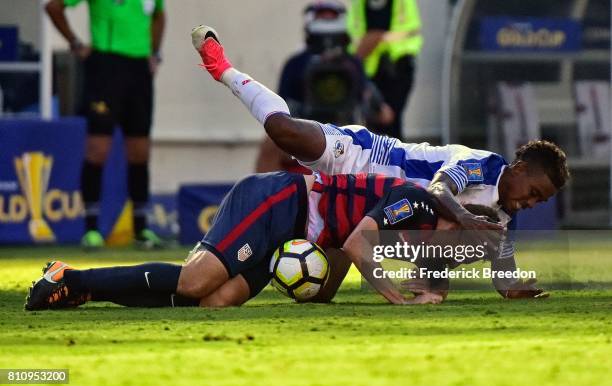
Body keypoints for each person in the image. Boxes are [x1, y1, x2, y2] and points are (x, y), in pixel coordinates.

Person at [190, 25, 570, 299]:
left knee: (319, 293)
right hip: (366, 158)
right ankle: (223, 69)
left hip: (362, 211)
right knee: (284, 132)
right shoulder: (483, 165)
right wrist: (467, 218)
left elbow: (471, 264)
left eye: (541, 202)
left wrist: (511, 287)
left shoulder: (501, 222)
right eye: (534, 192)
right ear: (519, 169)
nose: (531, 203)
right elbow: (439, 189)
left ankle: (215, 275)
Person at [25, 170, 476, 310]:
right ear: (455, 223)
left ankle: (84, 293)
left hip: (293, 236)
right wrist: (400, 301)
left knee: (212, 301)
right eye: (453, 250)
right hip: (277, 200)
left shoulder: (412, 229)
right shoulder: (417, 204)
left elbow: (341, 248)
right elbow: (358, 245)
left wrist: (315, 286)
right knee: (195, 281)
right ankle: (72, 277)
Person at [45, 0, 166, 249]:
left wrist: (154, 53)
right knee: (98, 149)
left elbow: (159, 16)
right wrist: (76, 43)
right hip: (105, 67)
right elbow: (53, 7)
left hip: (139, 70)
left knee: (139, 151)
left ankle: (141, 229)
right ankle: (91, 230)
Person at [256, 0, 393, 174]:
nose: (327, 20)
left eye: (330, 16)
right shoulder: (296, 64)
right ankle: (263, 198)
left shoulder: (353, 64)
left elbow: (382, 112)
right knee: (270, 145)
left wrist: (374, 109)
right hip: (305, 133)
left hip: (348, 134)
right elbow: (281, 112)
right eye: (323, 16)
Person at [346, 0, 423, 140]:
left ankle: (394, 158)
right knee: (374, 122)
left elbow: (410, 30)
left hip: (397, 69)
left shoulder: (403, 3)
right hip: (368, 70)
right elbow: (354, 39)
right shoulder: (359, 4)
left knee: (390, 120)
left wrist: (377, 38)